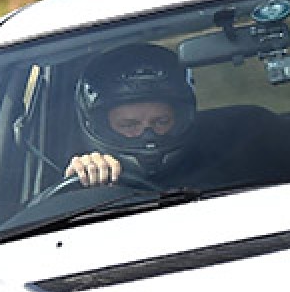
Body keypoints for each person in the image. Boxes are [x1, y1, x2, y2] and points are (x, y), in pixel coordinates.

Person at [65, 43, 202, 188]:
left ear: (181, 119)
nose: (148, 136)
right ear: (100, 126)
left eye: (161, 121)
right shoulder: (93, 174)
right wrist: (87, 178)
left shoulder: (220, 162)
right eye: (129, 125)